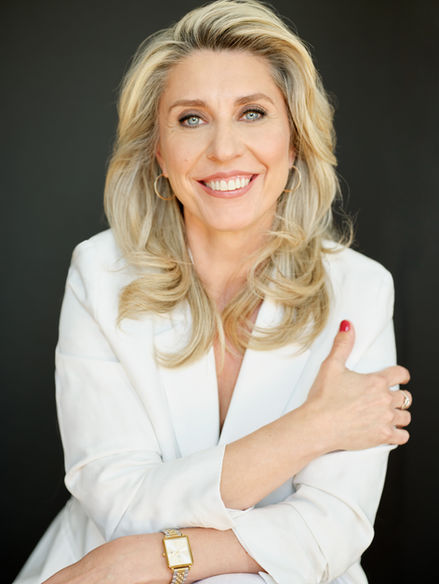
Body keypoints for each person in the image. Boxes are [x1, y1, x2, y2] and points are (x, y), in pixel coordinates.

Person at [13, 1, 412, 583]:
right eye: (192, 119)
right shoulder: (99, 272)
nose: (224, 149)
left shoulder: (362, 289)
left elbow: (333, 527)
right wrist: (313, 428)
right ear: (158, 150)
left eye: (253, 113)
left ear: (295, 141)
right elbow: (118, 501)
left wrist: (154, 557)